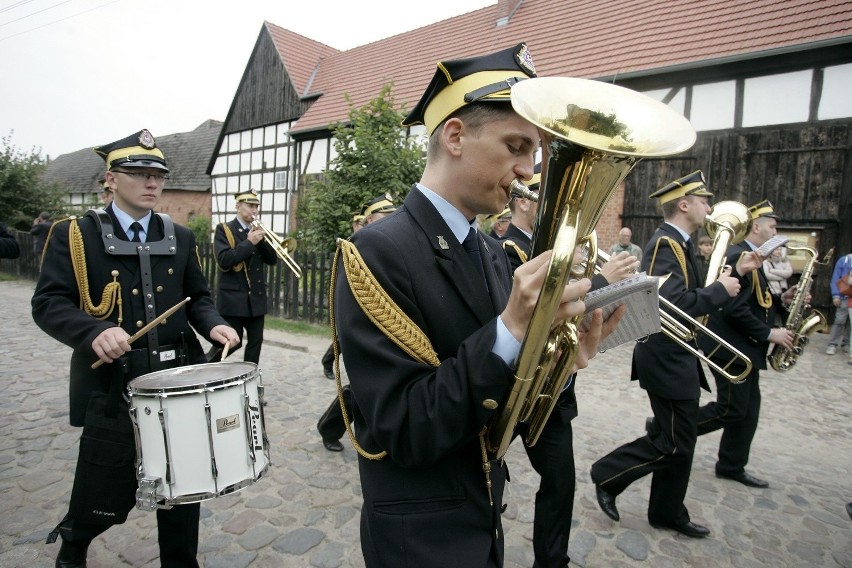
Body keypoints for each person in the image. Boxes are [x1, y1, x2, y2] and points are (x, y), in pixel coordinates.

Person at [331, 43, 618, 567]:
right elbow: (405, 427)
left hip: (480, 512)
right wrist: (511, 326)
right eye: (516, 146)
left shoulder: (488, 249)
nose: (529, 170)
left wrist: (563, 363)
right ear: (456, 136)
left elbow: (506, 408)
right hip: (418, 536)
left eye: (533, 153)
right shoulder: (379, 249)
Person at [31, 129, 239, 568]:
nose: (151, 183)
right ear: (110, 178)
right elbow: (48, 303)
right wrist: (92, 332)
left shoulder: (180, 236)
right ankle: (74, 544)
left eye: (157, 175)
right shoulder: (75, 235)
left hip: (176, 381)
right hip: (112, 384)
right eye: (138, 173)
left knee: (184, 484)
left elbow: (197, 296)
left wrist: (215, 325)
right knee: (103, 483)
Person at [590, 170, 758, 539]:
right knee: (675, 443)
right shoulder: (667, 244)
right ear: (685, 204)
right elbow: (669, 303)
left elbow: (693, 296)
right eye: (704, 201)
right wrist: (719, 290)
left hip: (677, 357)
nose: (710, 208)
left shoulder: (679, 243)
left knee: (680, 442)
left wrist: (737, 276)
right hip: (666, 357)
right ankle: (607, 473)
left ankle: (667, 512)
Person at [500, 167, 638, 568]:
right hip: (512, 386)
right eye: (556, 201)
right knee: (482, 466)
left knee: (560, 482)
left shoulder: (570, 252)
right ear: (525, 202)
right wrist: (598, 280)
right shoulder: (507, 248)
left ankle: (551, 560)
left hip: (553, 388)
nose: (567, 213)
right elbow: (535, 308)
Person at [695, 200, 796, 489]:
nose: (776, 230)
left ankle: (731, 464)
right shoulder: (737, 254)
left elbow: (757, 298)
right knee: (732, 409)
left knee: (748, 410)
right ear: (756, 226)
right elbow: (733, 308)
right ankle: (668, 428)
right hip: (728, 345)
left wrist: (782, 302)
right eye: (772, 225)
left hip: (745, 346)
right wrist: (770, 334)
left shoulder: (752, 255)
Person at [318, 201, 392, 451]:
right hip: (362, 328)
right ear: (369, 219)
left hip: (385, 326)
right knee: (360, 388)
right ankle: (329, 428)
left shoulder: (389, 242)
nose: (392, 220)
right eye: (385, 216)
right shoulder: (354, 246)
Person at [206, 189, 278, 364]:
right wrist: (249, 242)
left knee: (255, 343)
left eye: (256, 206)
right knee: (231, 342)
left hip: (256, 299)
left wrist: (261, 242)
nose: (253, 210)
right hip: (233, 298)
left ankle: (249, 379)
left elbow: (272, 259)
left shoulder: (258, 230)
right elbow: (224, 260)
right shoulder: (225, 229)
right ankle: (205, 365)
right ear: (238, 206)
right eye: (249, 206)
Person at [320, 212, 366, 381]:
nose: (362, 226)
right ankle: (327, 360)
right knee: (344, 336)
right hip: (347, 295)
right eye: (359, 223)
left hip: (363, 295)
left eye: (363, 223)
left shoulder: (370, 240)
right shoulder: (348, 244)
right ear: (354, 225)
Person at [826, 252, 852, 355]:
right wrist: (836, 295)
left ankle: (846, 343)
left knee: (851, 323)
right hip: (844, 296)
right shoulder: (844, 260)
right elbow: (836, 278)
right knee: (839, 320)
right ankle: (832, 344)